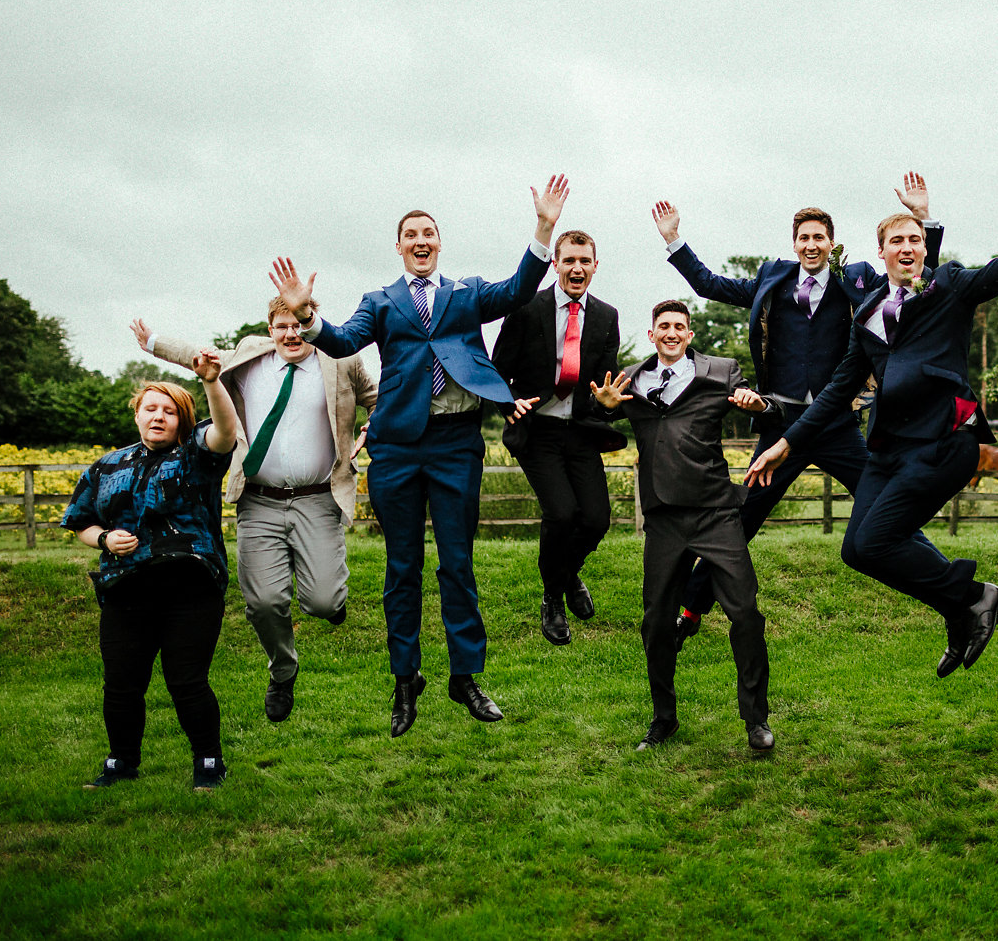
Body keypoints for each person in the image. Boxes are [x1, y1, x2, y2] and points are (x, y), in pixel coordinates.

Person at [747, 171, 998, 677]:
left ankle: (974, 597)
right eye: (896, 241)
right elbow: (839, 390)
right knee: (857, 550)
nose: (907, 247)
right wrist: (785, 445)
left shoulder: (950, 287)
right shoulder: (865, 315)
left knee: (880, 540)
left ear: (925, 248)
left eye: (914, 239)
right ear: (879, 254)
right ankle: (964, 607)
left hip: (944, 442)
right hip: (886, 449)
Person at [269, 175, 569, 736]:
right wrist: (306, 316)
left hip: (456, 443)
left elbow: (517, 290)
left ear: (439, 242)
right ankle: (405, 680)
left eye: (429, 232)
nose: (421, 240)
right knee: (401, 569)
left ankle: (466, 676)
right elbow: (341, 340)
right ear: (400, 246)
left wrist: (543, 228)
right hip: (398, 448)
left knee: (458, 564)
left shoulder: (467, 293)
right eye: (411, 234)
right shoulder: (380, 302)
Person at [654, 175, 943, 647]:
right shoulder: (772, 279)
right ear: (794, 244)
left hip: (836, 425)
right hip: (779, 426)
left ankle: (952, 587)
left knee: (886, 504)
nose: (811, 245)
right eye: (803, 238)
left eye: (819, 237)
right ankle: (689, 608)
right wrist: (674, 240)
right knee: (739, 520)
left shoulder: (858, 281)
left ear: (832, 244)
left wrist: (924, 222)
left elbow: (915, 278)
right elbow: (709, 285)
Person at [130, 293, 377, 725]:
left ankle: (329, 599)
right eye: (282, 326)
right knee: (263, 603)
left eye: (299, 323)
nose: (291, 333)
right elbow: (198, 356)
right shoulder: (248, 356)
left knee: (321, 602)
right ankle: (283, 670)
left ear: (311, 320)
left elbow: (380, 397)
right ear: (270, 331)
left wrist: (373, 427)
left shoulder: (341, 359)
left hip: (318, 498)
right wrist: (153, 343)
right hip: (259, 501)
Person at [590, 301, 777, 752]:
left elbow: (764, 409)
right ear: (652, 334)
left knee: (746, 614)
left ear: (689, 334)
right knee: (656, 621)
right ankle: (664, 718)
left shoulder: (722, 371)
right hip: (664, 519)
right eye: (663, 327)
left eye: (679, 327)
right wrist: (604, 408)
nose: (671, 333)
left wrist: (760, 402)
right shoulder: (629, 380)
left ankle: (756, 721)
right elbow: (601, 416)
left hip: (716, 512)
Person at [63, 358, 238, 792]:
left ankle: (209, 764)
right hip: (125, 590)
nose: (159, 416)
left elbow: (226, 432)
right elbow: (79, 521)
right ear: (137, 414)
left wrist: (212, 381)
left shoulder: (198, 456)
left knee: (187, 681)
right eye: (151, 408)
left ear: (182, 420)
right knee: (121, 684)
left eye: (170, 410)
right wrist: (104, 540)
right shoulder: (106, 467)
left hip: (190, 589)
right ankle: (121, 762)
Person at [491, 229, 625, 646]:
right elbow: (496, 369)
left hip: (581, 431)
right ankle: (552, 598)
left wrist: (606, 403)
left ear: (595, 266)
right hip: (538, 430)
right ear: (556, 264)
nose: (577, 268)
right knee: (562, 514)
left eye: (585, 261)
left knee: (597, 518)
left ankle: (566, 576)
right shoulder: (528, 307)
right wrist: (509, 402)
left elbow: (607, 386)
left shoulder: (607, 316)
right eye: (569, 260)